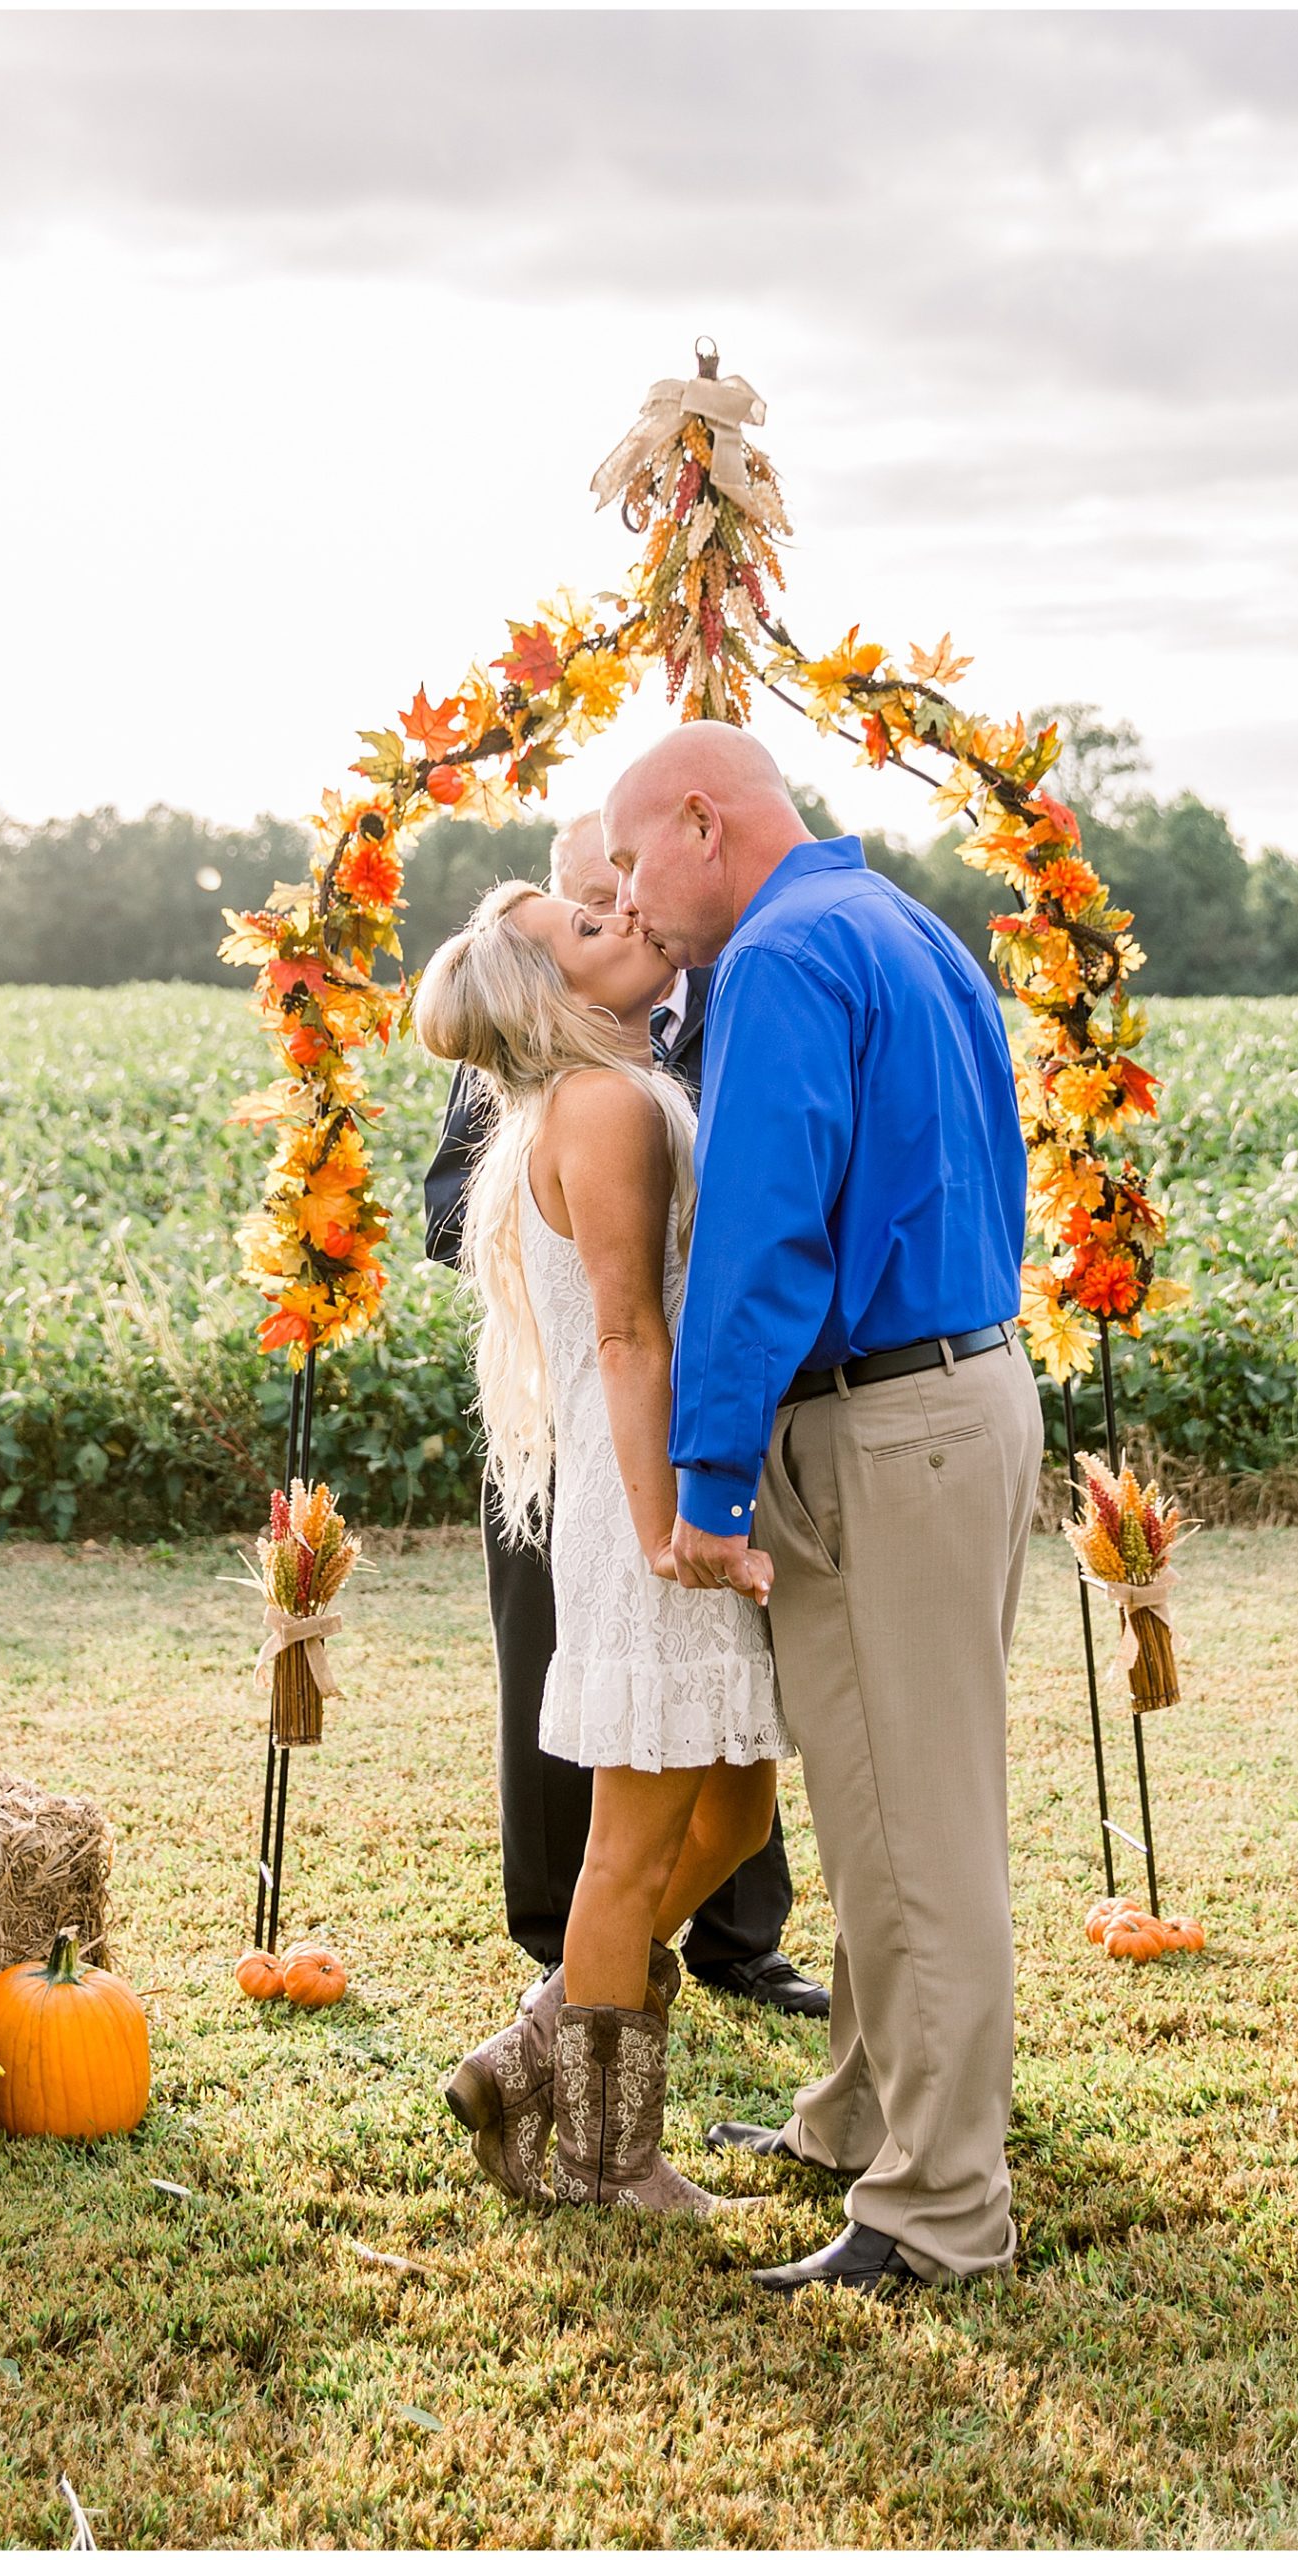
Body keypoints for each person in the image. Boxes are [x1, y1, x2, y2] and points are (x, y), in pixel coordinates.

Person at [602, 722, 1044, 2295]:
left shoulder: (778, 958)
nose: (630, 903)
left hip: (880, 1428)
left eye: (633, 858)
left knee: (911, 1834)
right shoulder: (902, 925)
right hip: (971, 1391)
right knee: (890, 1802)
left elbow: (762, 1238)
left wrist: (708, 1480)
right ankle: (859, 2111)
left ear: (703, 821)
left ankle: (934, 2208)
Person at [414, 876, 793, 2216]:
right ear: (556, 995)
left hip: (652, 1491)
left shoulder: (589, 1101)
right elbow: (630, 1339)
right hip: (649, 1507)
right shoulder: (605, 1104)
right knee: (629, 1854)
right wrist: (673, 1529)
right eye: (586, 929)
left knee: (738, 1806)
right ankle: (605, 2157)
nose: (621, 920)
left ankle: (534, 2047)